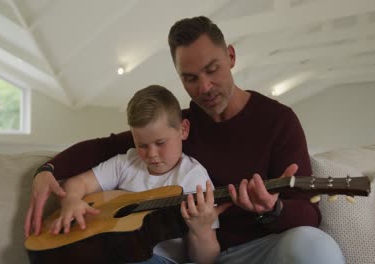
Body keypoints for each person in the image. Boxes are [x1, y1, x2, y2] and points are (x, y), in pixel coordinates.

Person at [25, 16, 344, 264]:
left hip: (259, 250)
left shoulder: (278, 121)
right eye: (190, 78)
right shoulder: (174, 129)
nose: (204, 87)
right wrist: (48, 170)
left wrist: (272, 209)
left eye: (212, 69)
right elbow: (102, 147)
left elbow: (309, 215)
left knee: (313, 244)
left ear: (231, 56)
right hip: (191, 255)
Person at [37, 85, 228, 264]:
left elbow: (206, 260)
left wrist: (201, 231)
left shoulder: (194, 179)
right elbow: (78, 183)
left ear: (183, 130)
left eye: (160, 143)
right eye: (142, 145)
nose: (151, 154)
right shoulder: (127, 162)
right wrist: (71, 200)